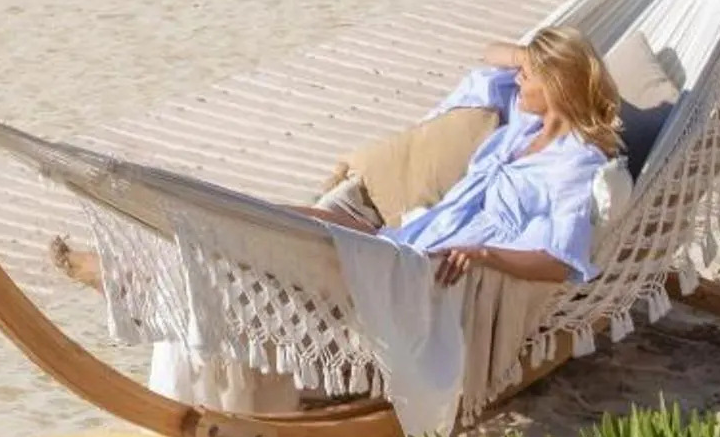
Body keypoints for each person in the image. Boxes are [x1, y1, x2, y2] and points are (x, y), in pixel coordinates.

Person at [54, 25, 626, 290]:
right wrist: (533, 56)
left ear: (556, 86)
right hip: (409, 237)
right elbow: (491, 52)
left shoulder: (575, 164)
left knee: (282, 249)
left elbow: (561, 260)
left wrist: (485, 254)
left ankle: (136, 277)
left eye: (529, 74)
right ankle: (155, 257)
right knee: (279, 220)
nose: (516, 77)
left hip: (427, 269)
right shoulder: (523, 118)